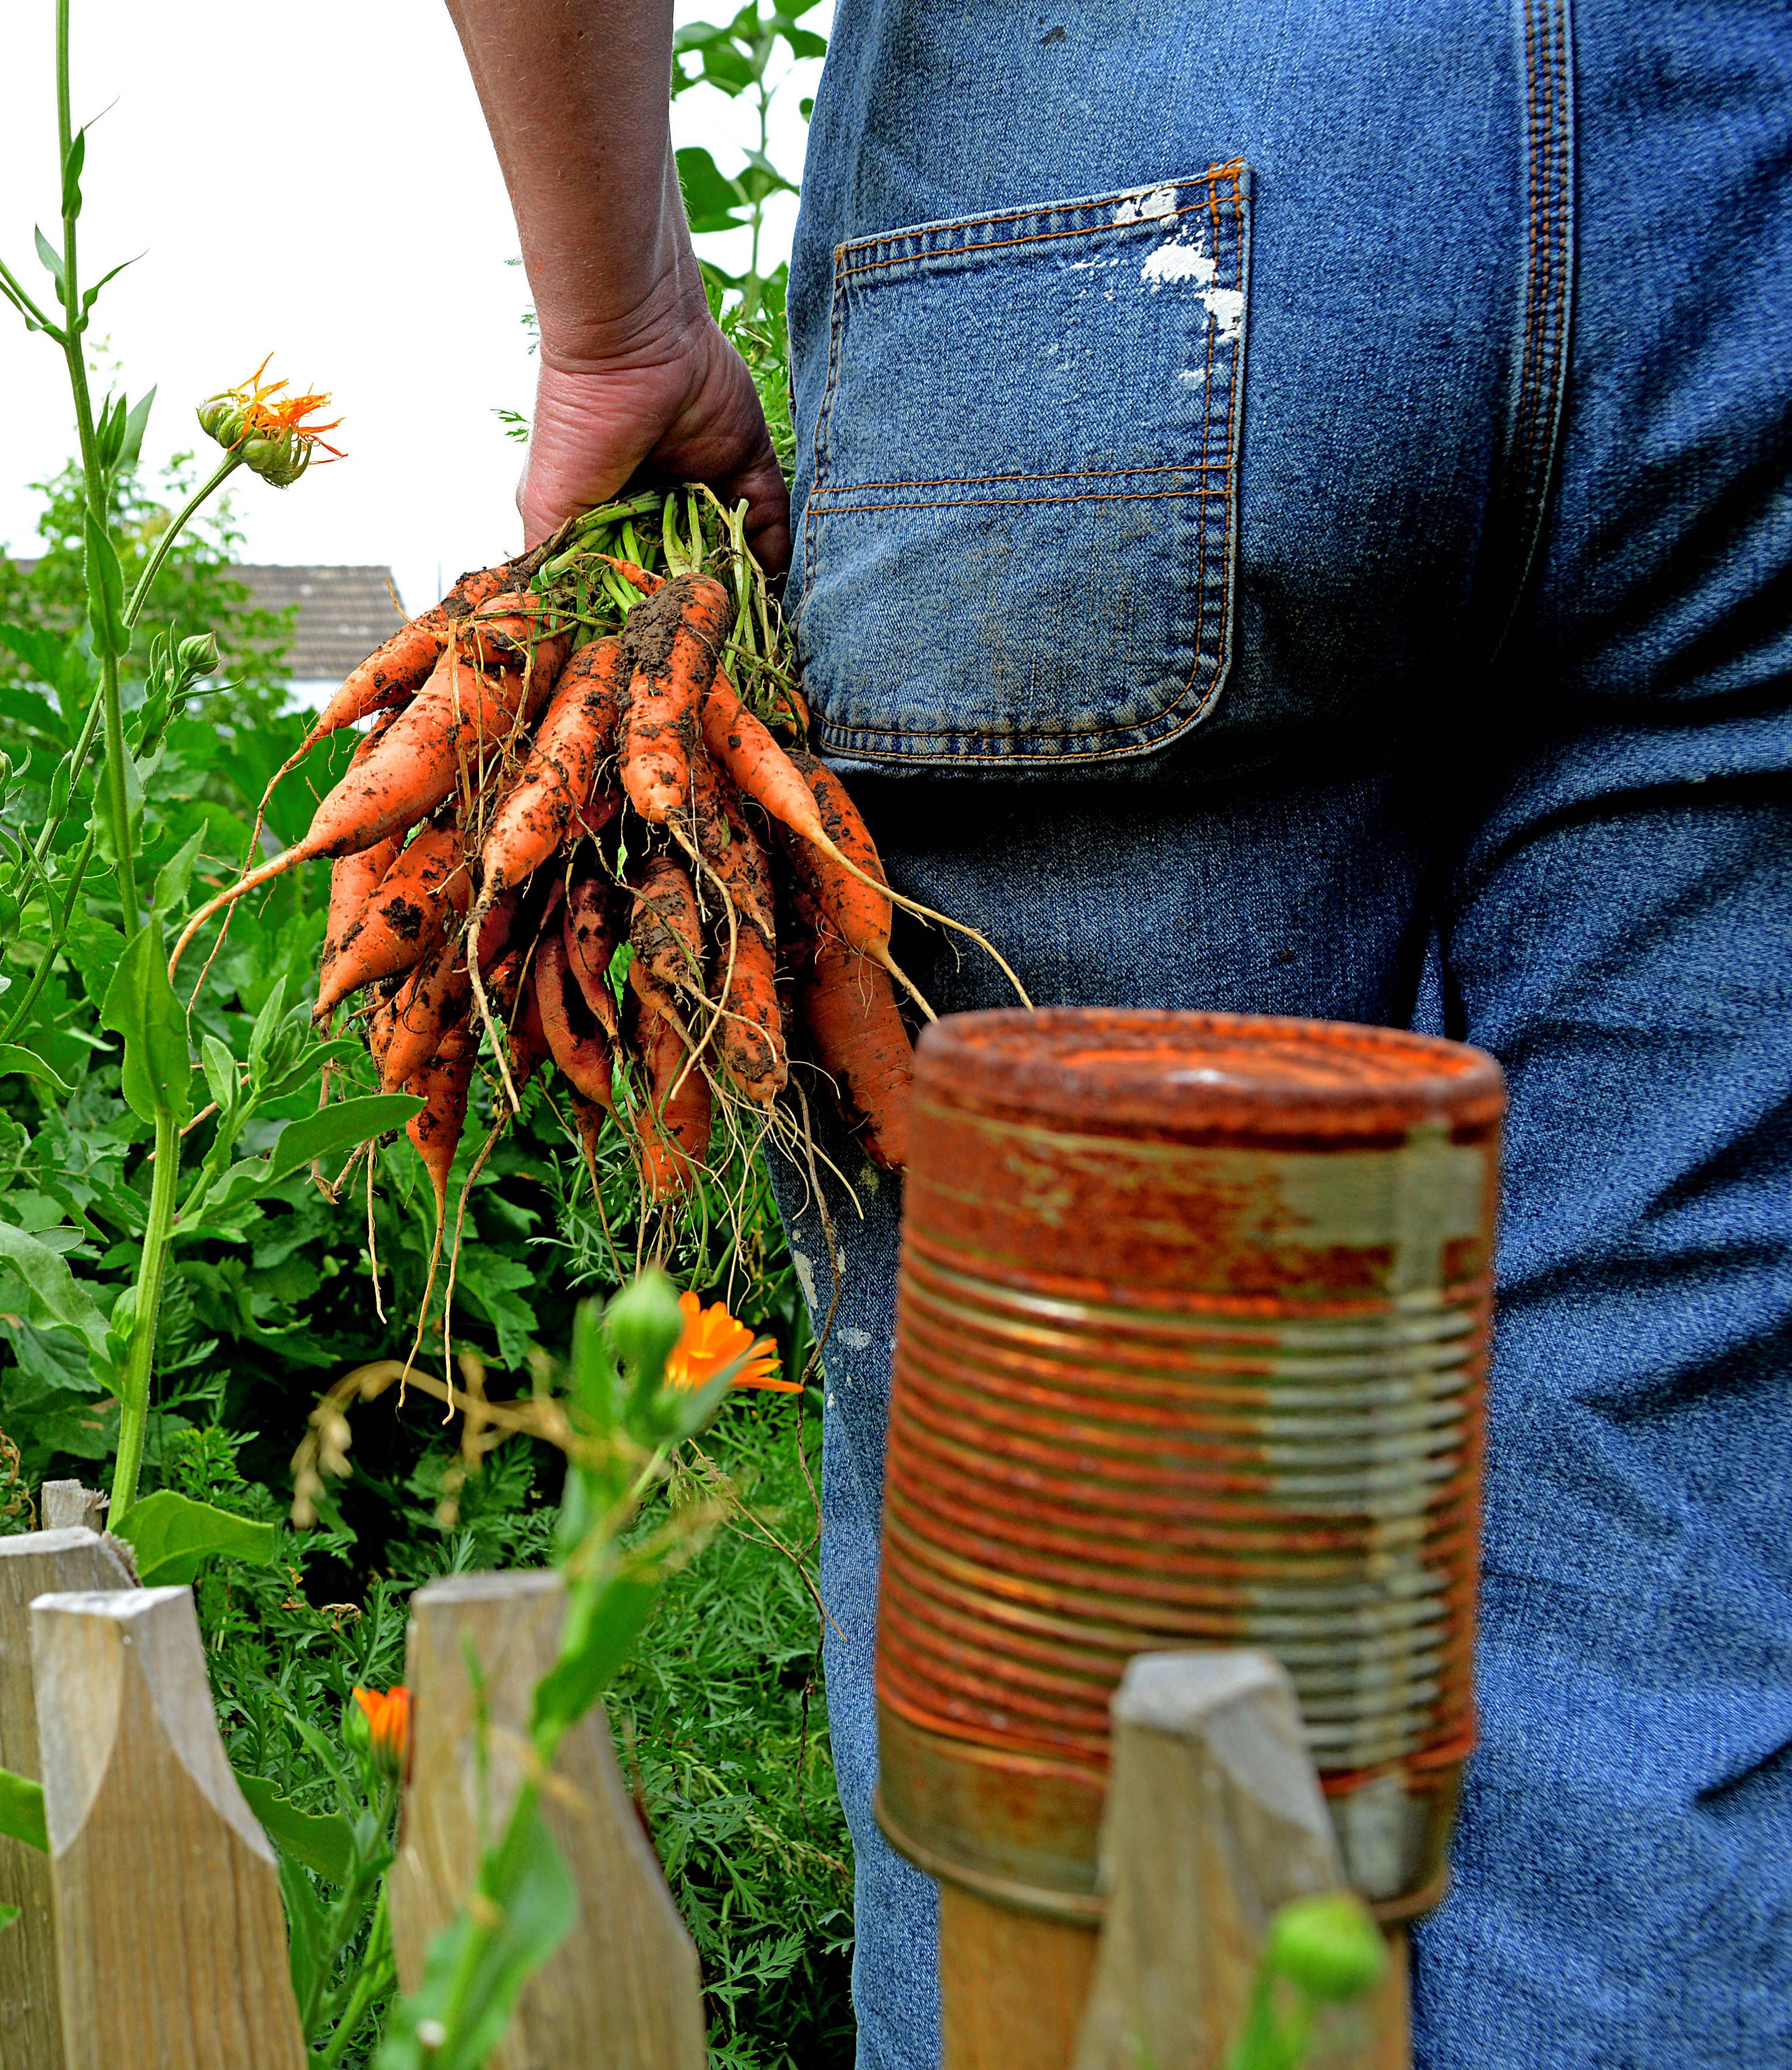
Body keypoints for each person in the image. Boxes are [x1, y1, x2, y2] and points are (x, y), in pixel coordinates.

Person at [443, 2, 1792, 2063]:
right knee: (1667, 1619)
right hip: (1750, 205)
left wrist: (617, 308)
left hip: (1128, 185)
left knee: (1072, 1663)